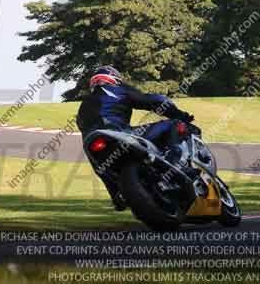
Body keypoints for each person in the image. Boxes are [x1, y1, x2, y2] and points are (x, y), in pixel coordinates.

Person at [77, 65, 194, 210]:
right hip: (121, 133)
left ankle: (121, 194)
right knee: (175, 124)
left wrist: (114, 194)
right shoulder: (117, 89)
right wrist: (179, 114)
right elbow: (153, 100)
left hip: (96, 144)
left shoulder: (83, 106)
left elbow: (98, 167)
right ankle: (175, 162)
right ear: (114, 78)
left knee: (101, 164)